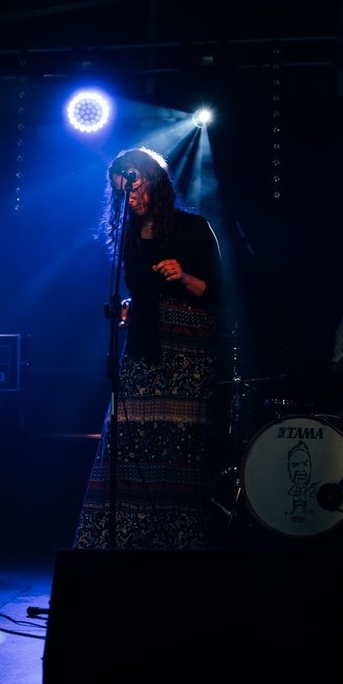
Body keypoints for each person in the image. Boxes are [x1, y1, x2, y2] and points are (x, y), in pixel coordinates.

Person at [72, 146, 226, 550]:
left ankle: (179, 542)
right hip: (142, 343)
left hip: (187, 349)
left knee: (179, 445)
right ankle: (124, 540)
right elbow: (142, 289)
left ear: (154, 180)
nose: (130, 196)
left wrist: (184, 276)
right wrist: (131, 304)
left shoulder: (193, 227)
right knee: (127, 438)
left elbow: (221, 292)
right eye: (121, 190)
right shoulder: (128, 236)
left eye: (134, 185)